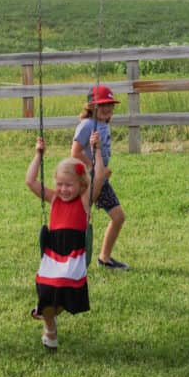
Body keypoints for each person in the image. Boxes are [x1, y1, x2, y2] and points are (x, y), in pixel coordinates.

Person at [25, 134, 105, 350]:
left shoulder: (84, 201)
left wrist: (95, 150)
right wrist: (38, 155)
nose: (63, 189)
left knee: (61, 291)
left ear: (81, 185)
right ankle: (50, 330)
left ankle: (49, 316)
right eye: (59, 184)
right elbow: (30, 181)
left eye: (69, 185)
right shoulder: (54, 199)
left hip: (73, 255)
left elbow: (99, 178)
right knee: (46, 292)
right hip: (53, 253)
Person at [71, 84, 128, 270]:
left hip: (101, 180)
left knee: (118, 217)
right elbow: (75, 152)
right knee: (81, 219)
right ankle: (71, 259)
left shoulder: (104, 124)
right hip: (88, 180)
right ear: (91, 106)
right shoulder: (87, 125)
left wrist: (101, 173)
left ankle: (105, 258)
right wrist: (91, 166)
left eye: (110, 104)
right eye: (103, 104)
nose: (108, 108)